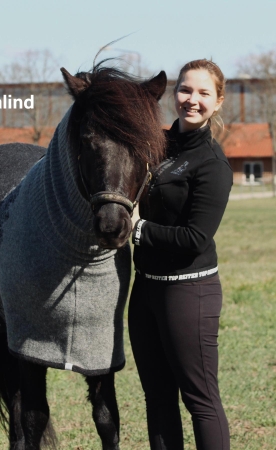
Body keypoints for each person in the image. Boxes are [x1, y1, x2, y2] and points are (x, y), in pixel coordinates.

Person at [128, 59, 232, 450]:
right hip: (145, 293)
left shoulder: (213, 164)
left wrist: (137, 228)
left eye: (204, 93)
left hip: (189, 293)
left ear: (218, 102)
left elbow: (195, 237)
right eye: (186, 90)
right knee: (157, 398)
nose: (192, 100)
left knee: (200, 401)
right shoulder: (156, 145)